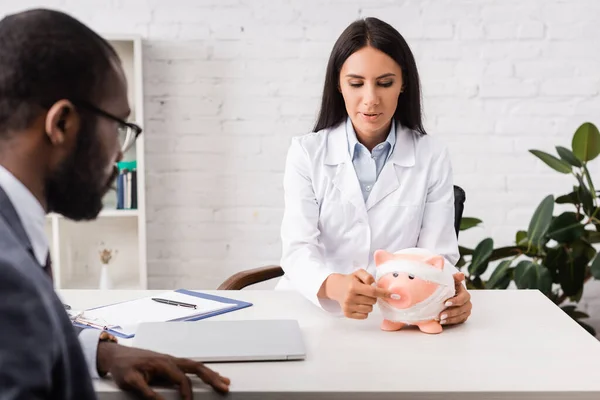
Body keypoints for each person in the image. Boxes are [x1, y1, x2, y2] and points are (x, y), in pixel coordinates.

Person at [0, 8, 229, 399]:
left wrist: (100, 352)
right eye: (119, 127)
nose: (121, 155)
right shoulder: (10, 279)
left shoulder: (13, 232)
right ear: (62, 124)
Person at [277, 17, 472, 326]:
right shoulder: (306, 153)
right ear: (338, 84)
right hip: (313, 314)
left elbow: (438, 256)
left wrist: (451, 295)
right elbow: (298, 249)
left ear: (403, 84)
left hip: (400, 316)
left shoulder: (431, 155)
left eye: (385, 83)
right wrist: (335, 285)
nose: (370, 99)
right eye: (356, 84)